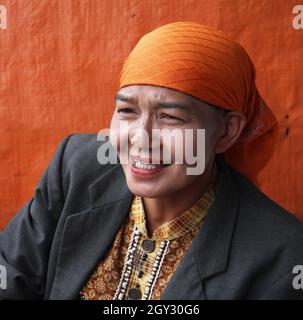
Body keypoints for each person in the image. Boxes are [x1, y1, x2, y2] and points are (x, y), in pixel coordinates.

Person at [0, 22, 303, 300]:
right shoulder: (77, 167)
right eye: (127, 111)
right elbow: (11, 275)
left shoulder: (280, 254)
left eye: (169, 116)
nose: (140, 138)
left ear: (227, 130)